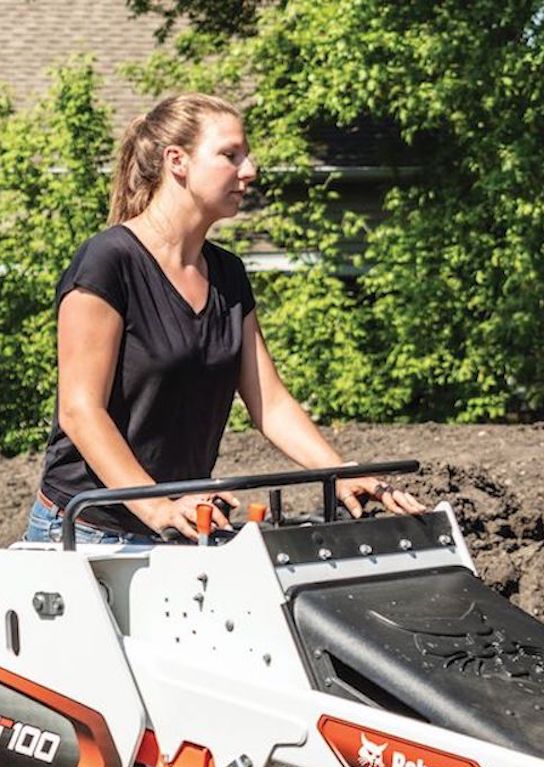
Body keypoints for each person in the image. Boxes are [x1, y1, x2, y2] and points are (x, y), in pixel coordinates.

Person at [25, 92, 422, 546]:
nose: (249, 170)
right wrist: (157, 506)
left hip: (179, 524)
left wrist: (341, 473)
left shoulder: (227, 274)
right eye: (230, 155)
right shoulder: (108, 261)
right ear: (178, 161)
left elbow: (269, 403)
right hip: (89, 532)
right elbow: (80, 411)